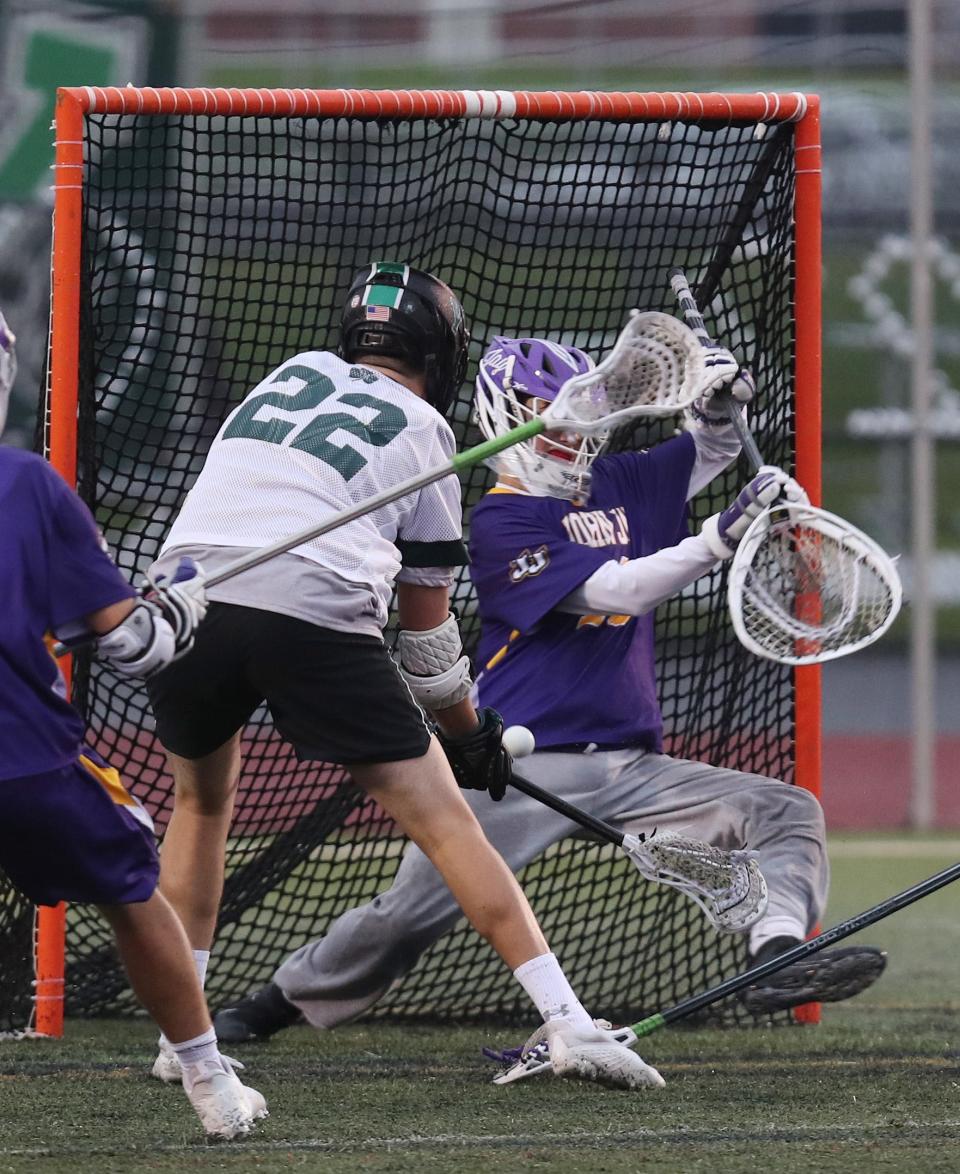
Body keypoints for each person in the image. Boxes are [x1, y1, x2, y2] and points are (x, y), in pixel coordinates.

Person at [211, 332, 887, 1048]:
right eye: (544, 409)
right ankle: (278, 1001)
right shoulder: (502, 520)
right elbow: (616, 593)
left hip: (631, 764)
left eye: (573, 410)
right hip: (521, 765)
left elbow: (710, 454)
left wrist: (718, 413)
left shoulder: (619, 483)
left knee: (784, 808)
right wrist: (722, 536)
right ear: (508, 414)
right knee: (411, 914)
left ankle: (775, 953)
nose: (567, 428)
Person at [142, 263, 666, 1092]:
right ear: (437, 350)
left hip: (187, 599)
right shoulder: (426, 431)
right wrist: (470, 736)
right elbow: (426, 647)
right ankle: (569, 1022)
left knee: (201, 804)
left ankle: (183, 1038)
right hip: (307, 602)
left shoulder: (286, 376)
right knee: (448, 821)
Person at [0, 310, 267, 1140]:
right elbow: (132, 643)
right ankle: (208, 1080)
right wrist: (178, 605)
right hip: (22, 763)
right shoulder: (25, 485)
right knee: (133, 891)